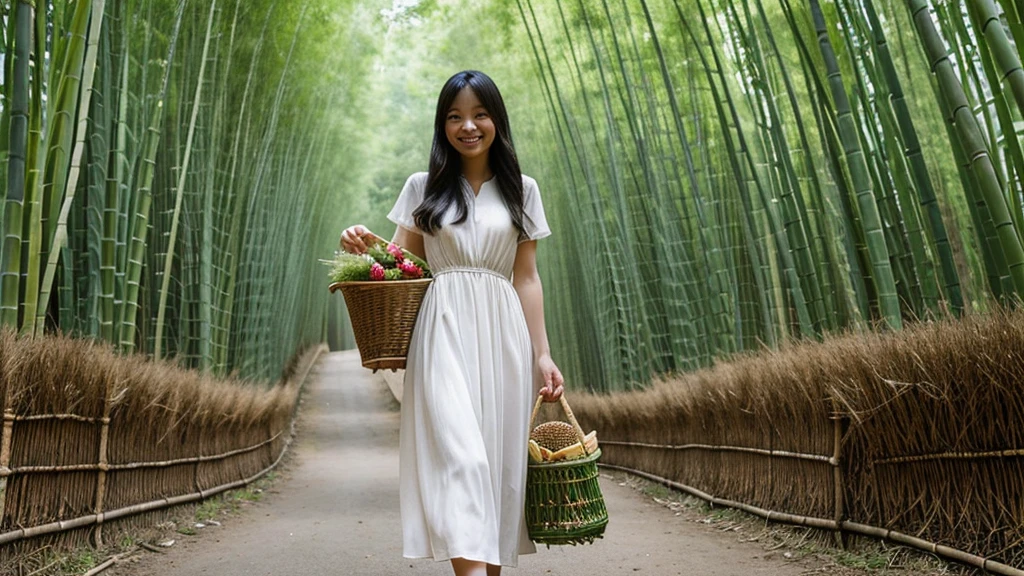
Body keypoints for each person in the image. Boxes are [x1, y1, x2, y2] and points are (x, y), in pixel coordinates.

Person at [339, 70, 565, 576]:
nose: (468, 126)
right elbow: (403, 263)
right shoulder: (424, 187)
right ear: (442, 126)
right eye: (455, 117)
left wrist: (542, 353)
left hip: (503, 329)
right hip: (441, 327)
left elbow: (527, 278)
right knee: (463, 460)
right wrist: (362, 241)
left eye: (479, 114)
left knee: (498, 465)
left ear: (495, 121)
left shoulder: (522, 190)